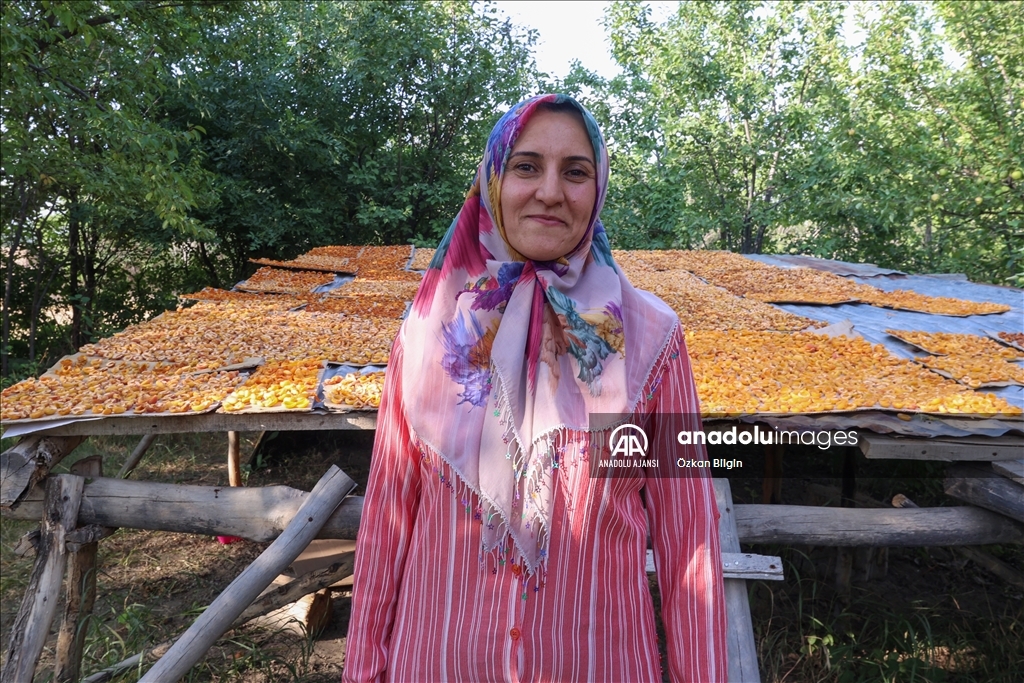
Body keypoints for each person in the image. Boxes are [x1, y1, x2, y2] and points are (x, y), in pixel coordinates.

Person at [343, 94, 727, 682]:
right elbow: (388, 518)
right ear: (494, 179)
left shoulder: (651, 338)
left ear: (597, 191)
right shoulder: (428, 332)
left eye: (575, 172)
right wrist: (362, 671)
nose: (551, 191)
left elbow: (688, 537)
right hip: (436, 663)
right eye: (526, 166)